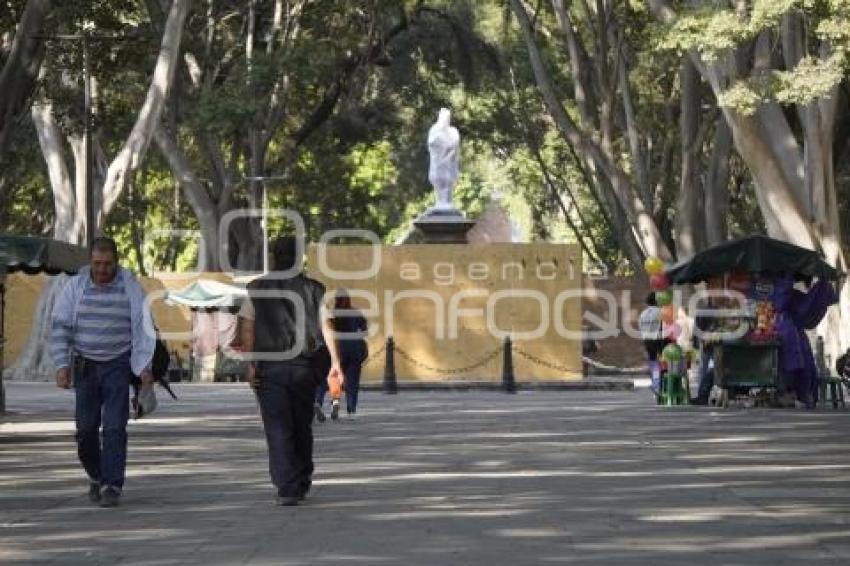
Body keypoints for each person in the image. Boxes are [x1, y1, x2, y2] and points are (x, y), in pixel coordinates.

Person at [50, 236, 156, 508]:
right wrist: (62, 365)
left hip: (118, 366)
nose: (102, 269)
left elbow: (145, 330)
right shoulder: (75, 288)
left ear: (116, 262)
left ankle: (112, 485)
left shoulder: (131, 288)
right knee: (85, 431)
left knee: (114, 428)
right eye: (97, 263)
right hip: (85, 366)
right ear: (90, 262)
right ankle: (97, 475)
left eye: (107, 264)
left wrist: (145, 367)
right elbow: (60, 328)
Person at [239, 236, 342, 506]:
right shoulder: (315, 289)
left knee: (277, 426)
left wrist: (250, 364)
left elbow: (247, 328)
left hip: (269, 367)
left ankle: (287, 486)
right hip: (304, 366)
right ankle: (302, 477)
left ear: (273, 257)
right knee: (301, 424)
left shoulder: (255, 288)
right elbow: (327, 326)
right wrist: (335, 363)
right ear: (298, 258)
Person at [314, 290, 368, 420]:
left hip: (337, 348)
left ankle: (320, 401)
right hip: (354, 349)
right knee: (352, 381)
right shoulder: (356, 313)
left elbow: (326, 331)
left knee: (329, 377)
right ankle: (351, 410)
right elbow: (364, 331)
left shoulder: (332, 313)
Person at [638, 292, 664, 393]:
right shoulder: (660, 312)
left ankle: (655, 381)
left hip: (646, 339)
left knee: (652, 361)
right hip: (657, 338)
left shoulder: (643, 314)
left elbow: (640, 327)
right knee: (662, 361)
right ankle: (658, 383)